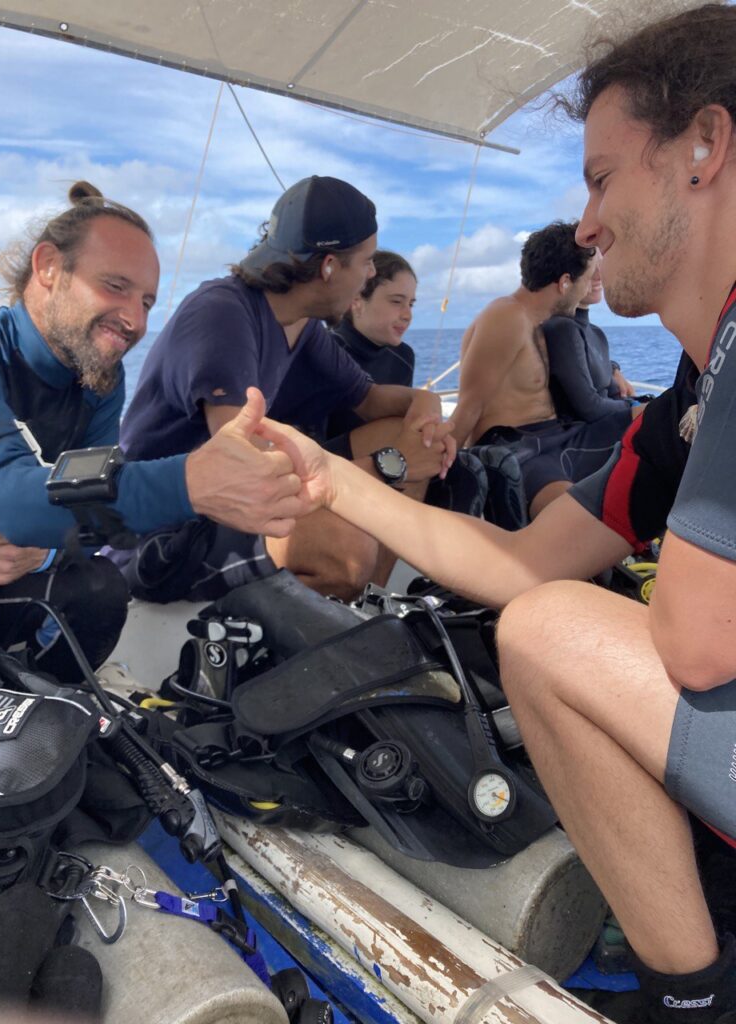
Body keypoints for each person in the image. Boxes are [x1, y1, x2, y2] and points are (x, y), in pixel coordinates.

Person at [255, 5, 736, 1019]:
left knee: (564, 628)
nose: (588, 224)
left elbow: (693, 645)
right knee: (542, 619)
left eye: (603, 177)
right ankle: (697, 985)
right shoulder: (690, 401)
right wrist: (334, 482)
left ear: (705, 148)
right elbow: (525, 562)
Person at [0, 182, 309, 682]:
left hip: (5, 577)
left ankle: (48, 713)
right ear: (47, 267)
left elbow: (92, 518)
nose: (135, 319)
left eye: (147, 301)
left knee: (101, 589)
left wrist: (46, 551)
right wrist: (193, 483)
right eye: (115, 286)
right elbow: (13, 501)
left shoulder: (99, 380)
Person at [118, 177, 452, 602]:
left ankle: (369, 608)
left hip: (237, 506)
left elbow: (370, 401)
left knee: (397, 429)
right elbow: (245, 469)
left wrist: (426, 407)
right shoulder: (222, 313)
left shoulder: (302, 324)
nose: (370, 273)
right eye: (366, 262)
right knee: (347, 551)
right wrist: (395, 464)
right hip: (166, 532)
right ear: (329, 266)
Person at [450, 222, 627, 517]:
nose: (590, 286)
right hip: (518, 447)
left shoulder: (544, 323)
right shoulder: (506, 317)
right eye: (586, 279)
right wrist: (440, 475)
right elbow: (470, 407)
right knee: (575, 522)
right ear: (565, 283)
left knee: (656, 426)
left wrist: (614, 370)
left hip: (558, 437)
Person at [323, 249, 417, 439]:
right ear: (357, 300)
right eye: (397, 302)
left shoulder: (403, 357)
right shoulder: (326, 352)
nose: (407, 315)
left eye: (411, 304)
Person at [543, 254, 636, 427]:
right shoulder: (560, 329)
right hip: (590, 436)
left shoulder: (596, 333)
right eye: (589, 269)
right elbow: (588, 409)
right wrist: (635, 407)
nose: (598, 276)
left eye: (599, 265)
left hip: (611, 424)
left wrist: (612, 368)